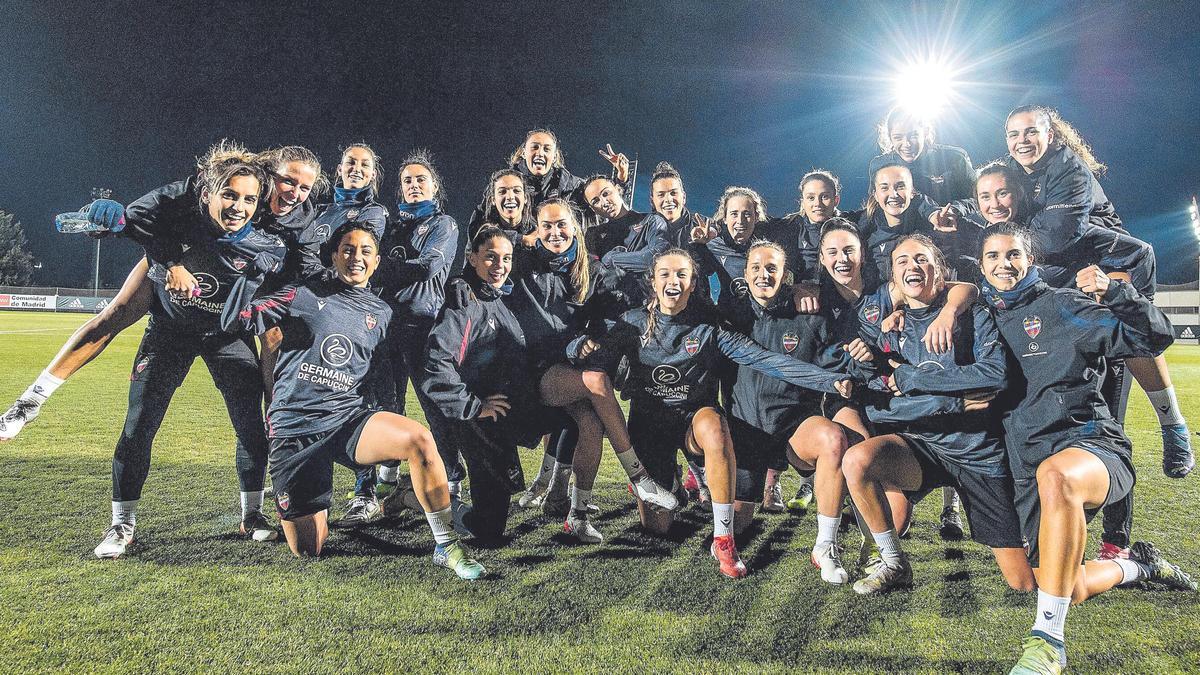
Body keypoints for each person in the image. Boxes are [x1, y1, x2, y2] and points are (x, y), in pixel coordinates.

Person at [975, 225, 1195, 674]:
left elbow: (1152, 338)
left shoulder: (1062, 305)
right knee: (1057, 585)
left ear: (1030, 260)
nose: (1004, 264)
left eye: (1014, 254)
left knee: (1057, 477)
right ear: (980, 266)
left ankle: (1048, 643)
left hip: (1089, 447)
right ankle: (1140, 567)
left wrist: (1118, 292)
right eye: (993, 256)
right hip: (1028, 465)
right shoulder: (980, 320)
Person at [0, 145, 322, 441]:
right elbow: (138, 216)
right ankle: (31, 400)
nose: (295, 194)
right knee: (118, 313)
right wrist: (166, 259)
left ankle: (278, 421)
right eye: (288, 181)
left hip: (236, 276)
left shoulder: (301, 218)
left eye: (304, 188)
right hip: (178, 254)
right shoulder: (213, 184)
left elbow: (304, 267)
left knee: (273, 334)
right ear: (268, 173)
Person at [220, 221, 486, 578]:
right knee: (308, 549)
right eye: (347, 249)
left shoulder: (383, 313)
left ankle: (445, 546)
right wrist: (252, 273)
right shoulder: (299, 294)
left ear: (376, 262)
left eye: (365, 251)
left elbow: (381, 372)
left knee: (418, 439)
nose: (356, 257)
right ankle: (400, 498)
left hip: (347, 420)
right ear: (334, 256)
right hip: (294, 429)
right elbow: (234, 319)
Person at [569, 248, 856, 578]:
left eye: (681, 275)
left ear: (693, 284)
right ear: (652, 281)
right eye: (665, 274)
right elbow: (597, 366)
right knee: (658, 527)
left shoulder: (710, 327)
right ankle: (673, 485)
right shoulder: (630, 324)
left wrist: (830, 380)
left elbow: (766, 360)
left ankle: (724, 541)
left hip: (694, 423)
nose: (673, 281)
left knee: (714, 426)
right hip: (649, 429)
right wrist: (578, 345)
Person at [93, 143, 288, 558]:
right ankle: (121, 525)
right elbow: (134, 225)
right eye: (230, 195)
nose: (239, 206)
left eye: (249, 199)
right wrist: (112, 220)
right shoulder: (179, 226)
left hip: (227, 339)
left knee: (251, 429)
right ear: (207, 195)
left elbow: (273, 286)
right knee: (139, 425)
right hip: (170, 333)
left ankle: (251, 515)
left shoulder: (268, 246)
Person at [1000, 105, 1190, 478]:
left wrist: (1006, 243)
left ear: (1050, 134)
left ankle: (1173, 425)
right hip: (1059, 270)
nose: (1022, 140)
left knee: (1131, 339)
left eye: (1030, 132)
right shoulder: (1014, 174)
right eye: (1013, 134)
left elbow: (1056, 236)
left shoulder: (1069, 169)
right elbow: (988, 197)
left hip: (1102, 263)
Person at [841, 234, 1034, 596]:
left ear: (940, 272)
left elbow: (994, 375)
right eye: (902, 262)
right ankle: (894, 563)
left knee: (1023, 583)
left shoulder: (973, 315)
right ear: (893, 281)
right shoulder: (886, 333)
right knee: (857, 461)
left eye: (922, 259)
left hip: (977, 453)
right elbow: (878, 405)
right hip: (921, 446)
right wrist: (953, 402)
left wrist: (915, 378)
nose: (912, 266)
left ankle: (1133, 564)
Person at [719, 240, 873, 569]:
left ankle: (825, 547)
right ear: (744, 274)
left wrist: (869, 364)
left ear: (786, 274)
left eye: (772, 268)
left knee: (834, 439)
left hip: (793, 428)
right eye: (756, 268)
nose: (764, 275)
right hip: (748, 431)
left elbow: (838, 365)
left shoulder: (809, 316)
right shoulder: (731, 317)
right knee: (737, 523)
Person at [373, 150, 463, 508]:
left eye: (420, 180)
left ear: (434, 187)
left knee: (433, 404)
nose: (413, 185)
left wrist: (376, 271)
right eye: (407, 180)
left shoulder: (444, 225)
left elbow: (428, 267)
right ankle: (388, 477)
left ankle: (453, 478)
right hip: (384, 324)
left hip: (423, 325)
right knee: (386, 403)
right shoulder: (391, 227)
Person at [764, 170, 863, 284]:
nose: (818, 203)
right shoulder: (790, 226)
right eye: (811, 198)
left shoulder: (852, 223)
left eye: (824, 196)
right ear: (803, 201)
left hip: (844, 294)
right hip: (806, 297)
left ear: (836, 200)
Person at [868, 107, 975, 206]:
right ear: (890, 138)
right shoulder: (880, 165)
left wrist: (955, 210)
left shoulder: (955, 158)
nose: (907, 144)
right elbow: (874, 207)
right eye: (898, 137)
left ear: (925, 132)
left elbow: (977, 199)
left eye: (913, 136)